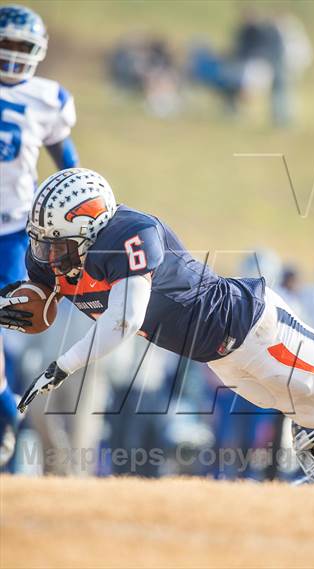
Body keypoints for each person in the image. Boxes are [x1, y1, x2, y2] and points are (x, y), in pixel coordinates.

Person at [0, 168, 314, 473]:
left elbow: (125, 321)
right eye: (45, 245)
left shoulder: (129, 234)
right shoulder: (55, 260)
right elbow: (40, 298)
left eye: (59, 247)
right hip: (217, 356)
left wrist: (62, 366)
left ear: (92, 230)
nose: (48, 258)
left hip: (249, 325)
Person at [0, 5, 79, 467]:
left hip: (15, 233)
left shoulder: (47, 98)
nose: (12, 56)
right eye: (6, 44)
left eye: (20, 47)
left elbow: (69, 166)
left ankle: (10, 434)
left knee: (15, 336)